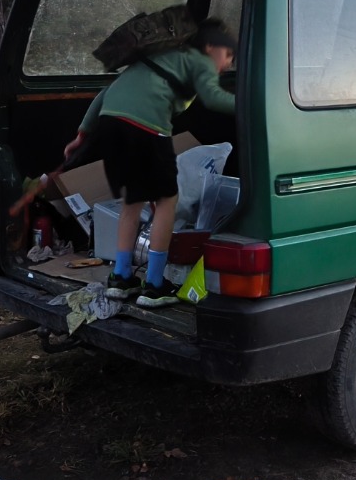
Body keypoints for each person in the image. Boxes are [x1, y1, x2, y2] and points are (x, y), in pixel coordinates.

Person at [64, 17, 237, 306]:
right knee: (167, 201)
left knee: (133, 202)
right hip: (145, 127)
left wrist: (83, 134)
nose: (229, 64)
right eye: (228, 54)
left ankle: (120, 278)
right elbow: (215, 99)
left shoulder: (160, 57)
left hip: (111, 125)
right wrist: (258, 104)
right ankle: (155, 284)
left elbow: (107, 93)